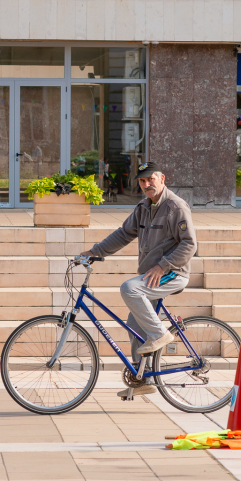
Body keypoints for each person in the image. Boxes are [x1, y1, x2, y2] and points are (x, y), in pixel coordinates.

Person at [79, 162, 197, 397]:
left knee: (129, 288)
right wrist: (95, 252)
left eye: (150, 179)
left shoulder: (176, 207)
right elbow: (123, 234)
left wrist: (162, 266)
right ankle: (141, 380)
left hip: (172, 273)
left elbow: (189, 244)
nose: (146, 185)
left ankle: (160, 334)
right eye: (142, 181)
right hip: (151, 276)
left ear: (162, 178)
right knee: (134, 326)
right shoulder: (143, 207)